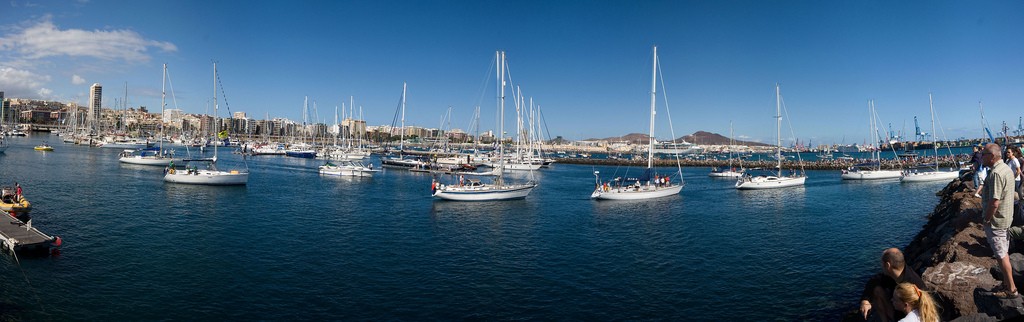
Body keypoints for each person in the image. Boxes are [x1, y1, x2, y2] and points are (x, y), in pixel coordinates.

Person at [980, 143, 1019, 299]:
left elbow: (994, 202)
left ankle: (1011, 290)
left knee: (1001, 256)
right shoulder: (1006, 169)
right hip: (1005, 219)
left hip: (996, 222)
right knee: (1004, 253)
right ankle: (1006, 283)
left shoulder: (996, 173)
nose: (981, 157)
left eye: (984, 154)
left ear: (993, 156)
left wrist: (986, 219)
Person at [859, 248, 926, 322]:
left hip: (908, 315)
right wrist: (865, 300)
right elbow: (873, 281)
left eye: (882, 263)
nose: (881, 266)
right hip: (899, 308)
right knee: (877, 290)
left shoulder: (912, 284)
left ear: (888, 265)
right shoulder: (895, 274)